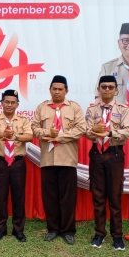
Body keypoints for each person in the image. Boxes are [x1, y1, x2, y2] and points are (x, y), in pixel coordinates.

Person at [31, 75, 86, 245]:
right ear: (50, 90)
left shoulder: (74, 107)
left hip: (67, 159)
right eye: (54, 89)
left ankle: (68, 231)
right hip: (48, 160)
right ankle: (53, 229)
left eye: (60, 89)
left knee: (68, 197)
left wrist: (60, 136)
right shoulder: (42, 107)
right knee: (50, 196)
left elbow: (81, 128)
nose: (57, 92)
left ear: (66, 90)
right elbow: (34, 127)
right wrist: (47, 133)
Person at [85, 76, 129, 250]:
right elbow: (85, 132)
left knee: (115, 197)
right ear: (98, 89)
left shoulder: (123, 109)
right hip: (97, 154)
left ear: (116, 90)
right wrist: (93, 130)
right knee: (98, 197)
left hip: (114, 154)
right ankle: (99, 234)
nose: (106, 90)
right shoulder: (92, 109)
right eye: (103, 87)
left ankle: (117, 236)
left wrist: (110, 133)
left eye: (110, 87)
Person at [0, 89, 33, 242]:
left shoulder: (23, 120)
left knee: (19, 197)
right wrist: (3, 135)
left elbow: (30, 136)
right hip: (0, 162)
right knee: (0, 197)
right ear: (2, 103)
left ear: (17, 104)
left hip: (18, 163)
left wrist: (15, 136)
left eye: (13, 102)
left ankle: (18, 230)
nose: (9, 105)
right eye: (7, 102)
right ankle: (0, 229)